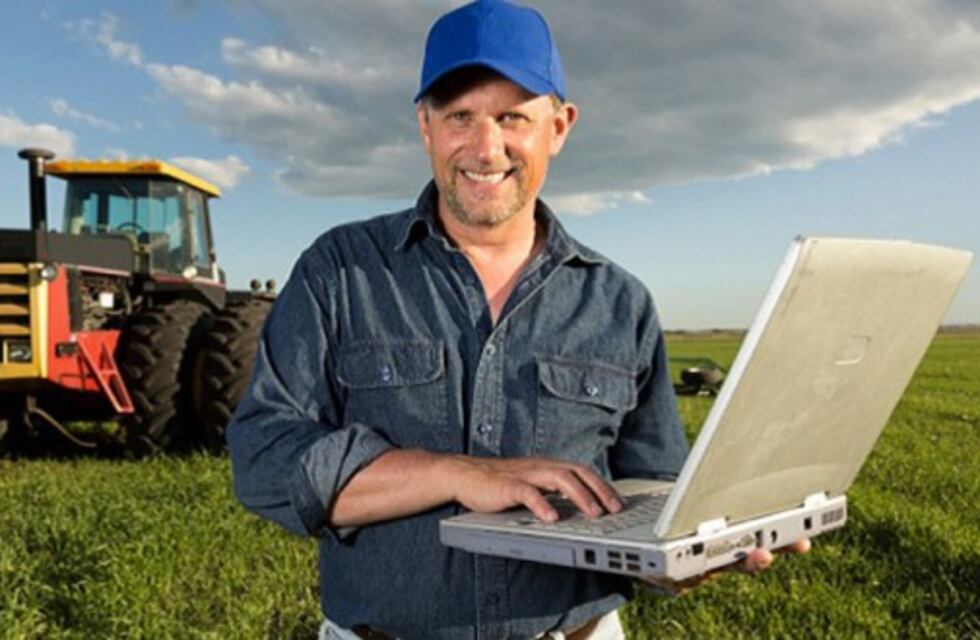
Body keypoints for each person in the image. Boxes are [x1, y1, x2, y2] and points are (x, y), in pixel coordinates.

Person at [227, 1, 807, 638]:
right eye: (460, 116)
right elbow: (264, 457)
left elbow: (654, 490)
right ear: (425, 126)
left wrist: (690, 553)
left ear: (559, 127)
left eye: (512, 117)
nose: (486, 148)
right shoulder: (340, 271)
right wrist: (453, 473)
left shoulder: (621, 302)